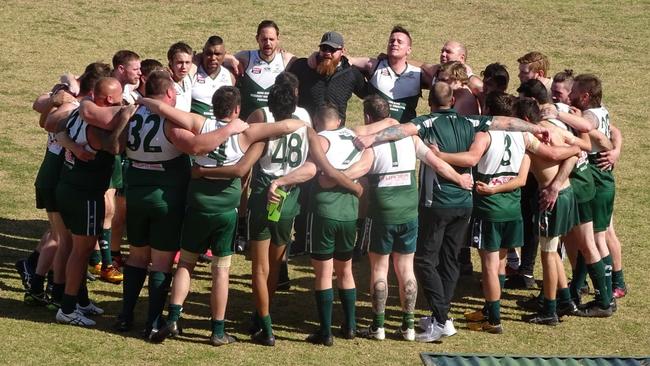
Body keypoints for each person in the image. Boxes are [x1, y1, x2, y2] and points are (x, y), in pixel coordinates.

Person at [354, 82, 550, 342]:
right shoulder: (469, 121)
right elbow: (507, 123)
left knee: (424, 260)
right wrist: (535, 128)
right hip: (465, 201)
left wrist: (370, 138)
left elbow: (400, 130)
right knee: (450, 260)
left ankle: (442, 317)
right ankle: (439, 316)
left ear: (430, 103)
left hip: (438, 203)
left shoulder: (426, 122)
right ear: (453, 101)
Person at [353, 95, 473, 341]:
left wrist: (331, 174)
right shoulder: (411, 138)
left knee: (379, 268)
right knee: (406, 267)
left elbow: (360, 170)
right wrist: (461, 179)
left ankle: (378, 326)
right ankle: (408, 327)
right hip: (410, 210)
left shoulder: (372, 144)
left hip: (383, 211)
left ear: (367, 117)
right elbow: (437, 164)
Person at [54, 77, 134, 326]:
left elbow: (57, 129)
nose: (123, 100)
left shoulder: (80, 113)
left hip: (68, 186)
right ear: (109, 99)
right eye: (120, 95)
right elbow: (114, 146)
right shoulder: (96, 128)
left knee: (76, 248)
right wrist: (124, 118)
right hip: (85, 193)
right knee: (82, 251)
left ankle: (79, 300)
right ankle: (67, 309)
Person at [569, 74, 622, 315]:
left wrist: (556, 114)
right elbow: (614, 131)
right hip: (602, 180)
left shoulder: (589, 116)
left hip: (598, 181)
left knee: (597, 240)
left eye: (574, 92)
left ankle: (606, 297)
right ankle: (594, 291)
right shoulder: (602, 110)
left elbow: (590, 129)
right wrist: (616, 149)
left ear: (585, 96)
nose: (570, 95)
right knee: (590, 240)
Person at [347, 26, 426, 123]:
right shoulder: (374, 65)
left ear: (409, 50)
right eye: (392, 41)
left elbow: (444, 71)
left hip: (404, 134)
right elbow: (349, 60)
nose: (394, 44)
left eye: (399, 42)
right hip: (375, 134)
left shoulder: (417, 73)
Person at [288, 31, 367, 123]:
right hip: (306, 130)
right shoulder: (303, 66)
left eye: (332, 49)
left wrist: (373, 69)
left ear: (343, 51)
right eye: (324, 48)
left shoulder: (351, 73)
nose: (327, 53)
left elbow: (369, 95)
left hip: (334, 133)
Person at [235, 20, 297, 119]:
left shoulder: (287, 59)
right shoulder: (246, 57)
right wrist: (229, 59)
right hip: (249, 123)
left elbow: (308, 65)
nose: (268, 43)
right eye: (264, 39)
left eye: (271, 39)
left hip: (275, 124)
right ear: (257, 39)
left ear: (278, 39)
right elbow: (220, 58)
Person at [191, 36, 236, 118]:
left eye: (217, 54)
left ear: (224, 55)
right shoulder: (192, 72)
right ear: (203, 53)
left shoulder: (230, 76)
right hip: (196, 127)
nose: (213, 58)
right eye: (209, 53)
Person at [167, 42, 194, 112]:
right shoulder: (164, 82)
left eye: (187, 62)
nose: (184, 67)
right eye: (179, 62)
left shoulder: (189, 77)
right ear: (171, 62)